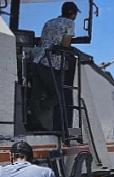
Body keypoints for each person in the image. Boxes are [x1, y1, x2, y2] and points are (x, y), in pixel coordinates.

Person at [29, 1, 80, 131]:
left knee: (37, 94)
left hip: (37, 61)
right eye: (75, 14)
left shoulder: (48, 22)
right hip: (51, 64)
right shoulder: (69, 23)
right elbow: (66, 44)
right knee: (60, 95)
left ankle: (35, 122)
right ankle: (58, 127)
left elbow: (42, 41)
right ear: (71, 13)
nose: (76, 17)